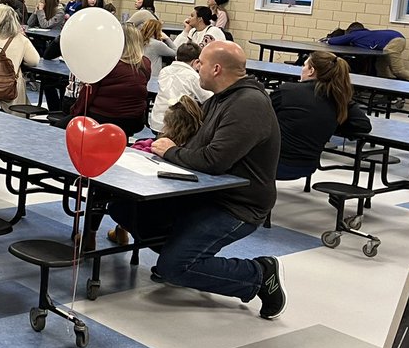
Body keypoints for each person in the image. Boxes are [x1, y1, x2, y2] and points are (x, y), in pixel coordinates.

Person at [108, 41, 286, 320]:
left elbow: (214, 160)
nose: (197, 66)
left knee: (174, 268)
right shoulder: (220, 98)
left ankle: (258, 274)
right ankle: (182, 251)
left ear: (216, 68)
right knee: (123, 206)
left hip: (238, 206)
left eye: (200, 62)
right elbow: (194, 144)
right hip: (205, 194)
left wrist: (171, 151)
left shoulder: (248, 105)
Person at [110, 96, 206, 245]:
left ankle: (93, 235)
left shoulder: (148, 147)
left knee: (115, 202)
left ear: (166, 126)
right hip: (177, 218)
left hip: (145, 214)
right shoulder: (196, 154)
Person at [272, 50, 371, 181]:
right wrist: (330, 123)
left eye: (304, 66)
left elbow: (260, 115)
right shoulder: (338, 98)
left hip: (273, 165)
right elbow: (363, 125)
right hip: (307, 166)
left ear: (311, 70)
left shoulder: (288, 90)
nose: (302, 69)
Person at [62, 23, 150, 136]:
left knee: (57, 129)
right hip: (134, 120)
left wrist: (74, 113)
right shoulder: (146, 63)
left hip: (103, 117)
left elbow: (88, 94)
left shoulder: (107, 63)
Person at [150, 41, 212, 133]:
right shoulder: (193, 76)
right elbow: (208, 98)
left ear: (176, 57)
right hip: (176, 127)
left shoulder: (164, 71)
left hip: (156, 123)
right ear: (196, 62)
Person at [325, 22, 409, 82]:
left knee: (398, 71)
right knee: (380, 67)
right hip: (395, 38)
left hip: (393, 42)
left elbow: (334, 41)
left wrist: (327, 40)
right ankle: (387, 94)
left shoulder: (354, 34)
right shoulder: (366, 34)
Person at [139, 17, 177, 83]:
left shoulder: (139, 40)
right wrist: (167, 38)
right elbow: (176, 52)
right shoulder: (157, 44)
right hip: (152, 77)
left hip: (140, 74)